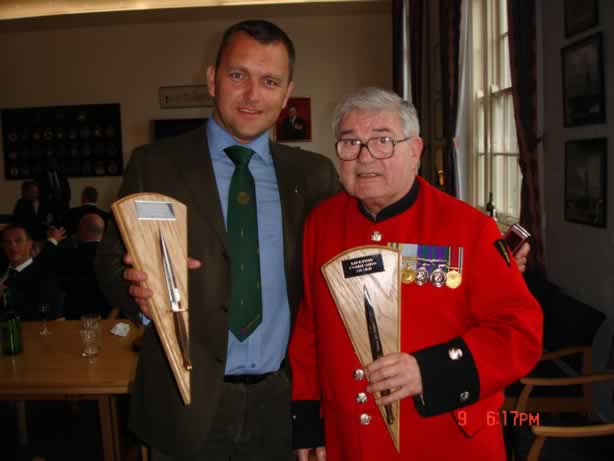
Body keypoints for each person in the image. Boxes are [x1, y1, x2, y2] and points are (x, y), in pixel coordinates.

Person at [94, 20, 339, 461]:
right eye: (237, 75)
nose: (252, 94)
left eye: (269, 81)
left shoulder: (314, 176)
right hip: (184, 403)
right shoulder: (155, 165)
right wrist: (138, 293)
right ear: (212, 78)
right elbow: (111, 262)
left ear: (286, 95)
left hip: (282, 404)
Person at [288, 87, 543, 461]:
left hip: (444, 441)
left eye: (383, 141)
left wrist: (431, 370)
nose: (365, 157)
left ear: (415, 151)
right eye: (350, 143)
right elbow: (310, 329)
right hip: (348, 441)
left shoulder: (471, 229)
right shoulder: (321, 225)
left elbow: (518, 333)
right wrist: (308, 420)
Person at [0, 224, 62, 320]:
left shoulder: (44, 276)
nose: (12, 246)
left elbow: (48, 314)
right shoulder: (3, 271)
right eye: (8, 242)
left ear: (29, 244)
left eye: (18, 241)